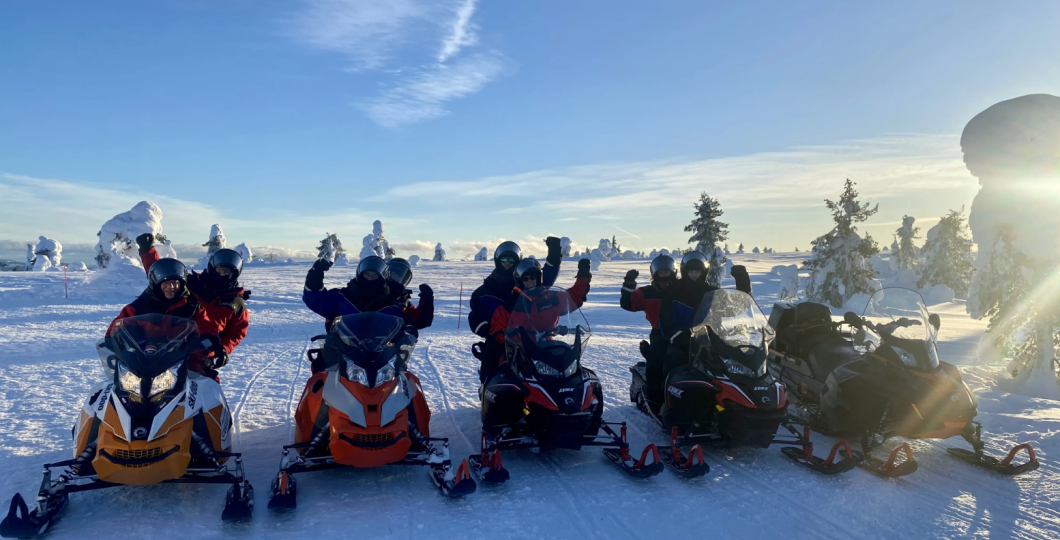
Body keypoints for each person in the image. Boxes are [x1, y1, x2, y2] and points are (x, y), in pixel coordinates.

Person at [135, 233, 249, 373]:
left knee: (208, 387)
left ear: (235, 273)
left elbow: (236, 333)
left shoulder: (236, 303)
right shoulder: (192, 283)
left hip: (203, 353)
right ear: (212, 267)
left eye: (227, 271)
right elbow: (162, 274)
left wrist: (223, 349)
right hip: (172, 344)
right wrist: (147, 251)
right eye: (219, 269)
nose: (222, 274)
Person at [479, 257, 593, 382]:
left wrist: (583, 274)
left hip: (545, 349)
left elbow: (574, 297)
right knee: (503, 380)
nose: (530, 282)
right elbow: (497, 328)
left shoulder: (551, 298)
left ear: (539, 278)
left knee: (575, 375)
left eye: (533, 277)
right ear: (520, 280)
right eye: (526, 279)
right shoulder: (510, 304)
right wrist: (507, 344)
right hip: (519, 353)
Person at [658, 251, 752, 394]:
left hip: (711, 342)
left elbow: (737, 308)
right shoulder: (674, 294)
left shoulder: (712, 293)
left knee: (733, 366)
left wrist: (742, 283)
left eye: (697, 271)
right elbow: (665, 321)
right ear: (685, 272)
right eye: (691, 271)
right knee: (674, 362)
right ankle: (666, 399)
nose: (694, 274)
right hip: (683, 342)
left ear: (704, 272)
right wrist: (678, 336)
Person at [467, 237, 563, 338]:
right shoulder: (483, 292)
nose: (507, 263)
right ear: (498, 261)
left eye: (511, 260)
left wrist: (554, 252)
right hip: (500, 341)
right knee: (488, 354)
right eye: (504, 260)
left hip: (531, 339)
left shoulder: (526, 282)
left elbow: (546, 277)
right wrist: (489, 332)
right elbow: (475, 316)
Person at [303, 255, 419, 331]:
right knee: (321, 365)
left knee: (402, 369)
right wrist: (315, 274)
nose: (370, 278)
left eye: (374, 276)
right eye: (367, 275)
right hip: (343, 352)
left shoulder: (396, 302)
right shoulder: (342, 297)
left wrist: (427, 301)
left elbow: (418, 320)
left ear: (382, 278)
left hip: (383, 356)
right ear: (360, 275)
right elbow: (315, 298)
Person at [620, 254, 677, 408]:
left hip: (683, 332)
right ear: (655, 273)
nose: (665, 274)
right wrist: (629, 284)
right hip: (660, 332)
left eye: (667, 271)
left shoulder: (681, 289)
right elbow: (628, 304)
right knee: (656, 363)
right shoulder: (647, 292)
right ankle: (655, 397)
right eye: (661, 271)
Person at [384, 257, 434, 330]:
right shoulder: (374, 292)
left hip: (392, 338)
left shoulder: (402, 300)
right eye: (393, 275)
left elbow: (421, 320)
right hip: (367, 336)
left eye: (400, 277)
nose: (396, 279)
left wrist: (427, 299)